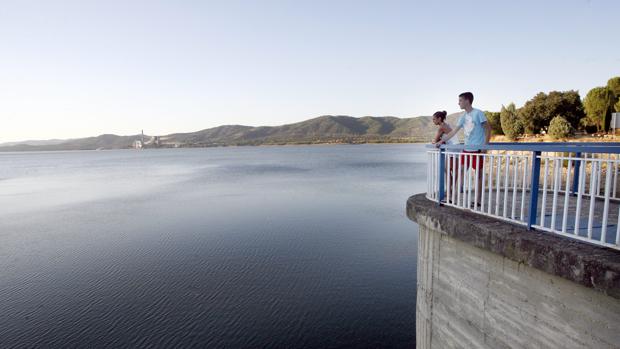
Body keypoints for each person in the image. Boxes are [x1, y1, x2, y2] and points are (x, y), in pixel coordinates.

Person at [439, 92, 491, 207]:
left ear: (467, 100)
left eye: (460, 100)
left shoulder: (478, 113)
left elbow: (488, 129)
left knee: (479, 175)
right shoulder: (462, 117)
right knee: (460, 172)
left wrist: (485, 146)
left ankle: (478, 200)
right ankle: (452, 198)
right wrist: (442, 141)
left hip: (478, 150)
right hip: (466, 150)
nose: (458, 103)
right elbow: (453, 132)